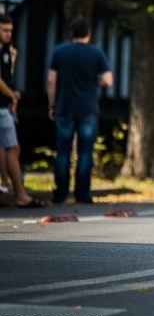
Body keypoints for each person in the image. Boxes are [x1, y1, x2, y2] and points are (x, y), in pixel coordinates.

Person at [47, 17, 113, 204]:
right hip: (88, 108)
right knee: (85, 152)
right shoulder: (96, 53)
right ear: (88, 34)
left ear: (71, 33)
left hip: (65, 107)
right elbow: (108, 80)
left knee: (62, 152)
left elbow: (51, 81)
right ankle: (82, 193)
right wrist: (96, 81)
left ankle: (60, 193)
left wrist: (52, 104)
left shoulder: (59, 52)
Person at [0, 15, 44, 209]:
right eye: (4, 30)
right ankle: (20, 195)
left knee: (6, 148)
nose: (8, 34)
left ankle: (9, 187)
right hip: (1, 107)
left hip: (4, 106)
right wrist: (13, 96)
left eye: (10, 30)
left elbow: (6, 78)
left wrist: (11, 93)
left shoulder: (7, 52)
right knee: (12, 148)